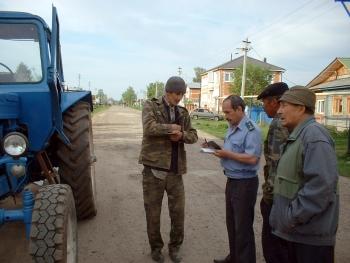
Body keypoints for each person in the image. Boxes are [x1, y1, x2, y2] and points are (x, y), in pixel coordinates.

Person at [269, 87, 339, 263]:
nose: (279, 111)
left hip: (309, 241)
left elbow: (321, 186)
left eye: (284, 105)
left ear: (300, 108)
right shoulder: (299, 135)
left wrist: (291, 217)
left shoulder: (314, 136)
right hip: (297, 235)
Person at [139, 76, 198, 263]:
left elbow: (193, 135)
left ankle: (175, 248)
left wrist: (181, 136)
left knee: (178, 213)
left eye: (181, 94)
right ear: (167, 91)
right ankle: (156, 248)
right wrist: (170, 128)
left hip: (175, 171)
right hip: (153, 170)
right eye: (176, 94)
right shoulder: (151, 105)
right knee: (153, 213)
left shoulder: (183, 112)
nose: (179, 98)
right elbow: (149, 128)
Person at [212, 95, 262, 263]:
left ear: (239, 109)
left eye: (228, 112)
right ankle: (234, 258)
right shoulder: (233, 126)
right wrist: (218, 150)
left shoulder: (251, 129)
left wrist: (227, 154)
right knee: (232, 224)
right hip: (232, 180)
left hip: (245, 183)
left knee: (243, 227)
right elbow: (233, 150)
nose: (225, 115)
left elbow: (252, 158)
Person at [257, 82, 290, 263]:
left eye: (265, 102)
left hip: (277, 196)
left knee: (273, 246)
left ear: (275, 102)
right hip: (288, 194)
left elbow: (276, 164)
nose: (263, 106)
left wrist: (268, 197)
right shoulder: (292, 122)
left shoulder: (278, 124)